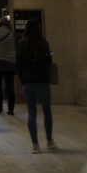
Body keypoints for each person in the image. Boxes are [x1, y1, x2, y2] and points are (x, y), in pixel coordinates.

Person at [17, 17, 56, 153]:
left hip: (28, 80)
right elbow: (48, 62)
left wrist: (22, 79)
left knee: (32, 113)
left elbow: (19, 63)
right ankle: (49, 140)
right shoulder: (43, 43)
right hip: (43, 79)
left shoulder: (22, 43)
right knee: (47, 111)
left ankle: (35, 144)